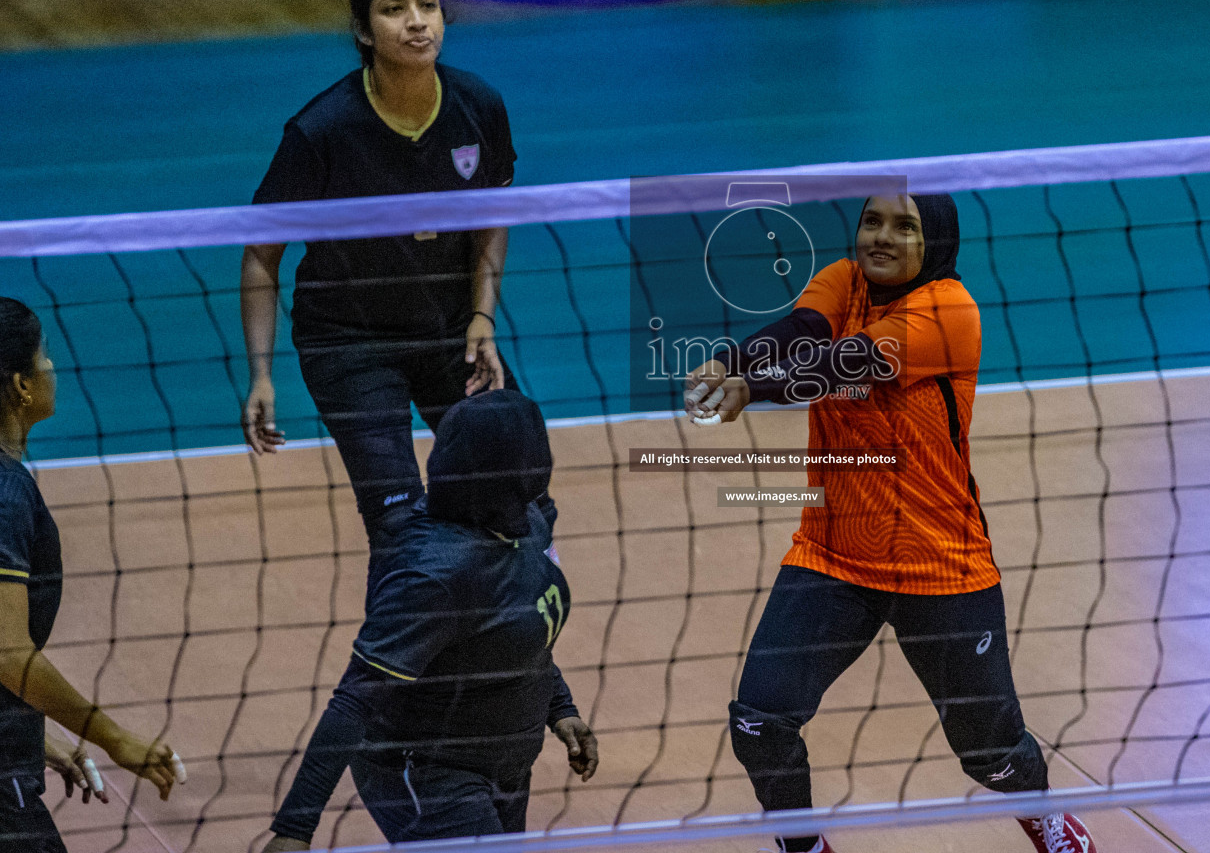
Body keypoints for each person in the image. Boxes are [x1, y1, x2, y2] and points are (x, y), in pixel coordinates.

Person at [685, 195, 1098, 853]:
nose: (881, 237)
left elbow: (846, 364)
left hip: (940, 568)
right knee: (760, 721)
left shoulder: (948, 311)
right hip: (833, 556)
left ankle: (1043, 814)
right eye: (872, 221)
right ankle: (805, 848)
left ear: (932, 240)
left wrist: (748, 389)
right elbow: (801, 335)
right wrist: (732, 364)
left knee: (989, 755)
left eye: (903, 226)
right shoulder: (843, 280)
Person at [242, 0, 520, 848]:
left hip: (445, 332)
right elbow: (259, 252)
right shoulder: (322, 129)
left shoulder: (476, 106)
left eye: (429, 4)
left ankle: (491, 693)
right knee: (402, 530)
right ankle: (392, 711)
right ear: (365, 30)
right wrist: (261, 373)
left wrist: (481, 318)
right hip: (348, 343)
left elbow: (493, 214)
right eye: (395, 9)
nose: (416, 21)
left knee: (516, 491)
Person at [323, 390, 594, 846]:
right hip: (424, 766)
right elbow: (353, 700)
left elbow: (520, 636)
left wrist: (559, 707)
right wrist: (294, 829)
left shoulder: (528, 527)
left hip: (503, 762)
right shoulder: (439, 570)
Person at [0, 297, 186, 852]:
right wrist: (113, 738)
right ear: (21, 385)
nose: (52, 366)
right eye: (44, 354)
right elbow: (7, 651)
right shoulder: (6, 494)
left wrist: (34, 732)